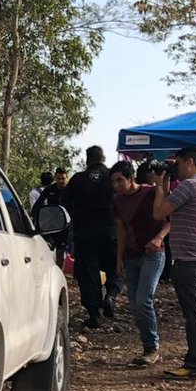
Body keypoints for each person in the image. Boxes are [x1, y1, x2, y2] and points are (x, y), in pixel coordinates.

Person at [152, 148, 196, 379]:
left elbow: (159, 213)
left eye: (178, 163)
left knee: (195, 314)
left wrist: (159, 186)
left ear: (190, 162)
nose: (176, 168)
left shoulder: (189, 186)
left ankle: (194, 364)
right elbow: (172, 210)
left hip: (189, 260)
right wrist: (166, 183)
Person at [110, 161, 169, 367]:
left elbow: (170, 220)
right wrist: (119, 257)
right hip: (131, 255)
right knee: (135, 303)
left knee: (144, 300)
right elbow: (121, 229)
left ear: (131, 178)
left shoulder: (151, 193)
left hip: (153, 253)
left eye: (120, 180)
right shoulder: (117, 201)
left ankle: (152, 347)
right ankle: (147, 347)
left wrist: (159, 238)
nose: (117, 185)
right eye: (113, 181)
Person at [60, 146, 121, 328]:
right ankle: (111, 295)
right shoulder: (113, 178)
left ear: (87, 160)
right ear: (103, 158)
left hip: (84, 233)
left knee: (88, 273)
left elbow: (64, 203)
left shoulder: (78, 179)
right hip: (110, 231)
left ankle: (94, 313)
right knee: (114, 266)